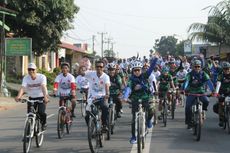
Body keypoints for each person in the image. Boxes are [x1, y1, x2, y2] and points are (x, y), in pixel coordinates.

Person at [123, 55, 158, 144]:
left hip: (146, 97)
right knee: (134, 119)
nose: (137, 72)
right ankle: (134, 137)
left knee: (151, 110)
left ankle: (149, 120)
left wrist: (156, 59)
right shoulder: (131, 79)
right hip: (135, 99)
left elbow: (151, 68)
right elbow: (128, 88)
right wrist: (125, 97)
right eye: (135, 70)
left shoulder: (145, 75)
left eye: (138, 70)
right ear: (133, 71)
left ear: (141, 70)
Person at [15, 63, 49, 131]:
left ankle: (43, 123)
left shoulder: (42, 77)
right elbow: (23, 87)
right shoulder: (26, 78)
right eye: (29, 69)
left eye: (32, 69)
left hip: (41, 97)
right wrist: (18, 96)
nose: (31, 71)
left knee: (41, 112)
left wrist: (45, 97)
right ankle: (28, 134)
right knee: (30, 114)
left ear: (36, 70)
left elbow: (43, 87)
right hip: (31, 98)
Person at [182, 60, 215, 129]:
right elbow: (186, 82)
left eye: (198, 67)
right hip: (192, 92)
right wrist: (183, 89)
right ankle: (188, 122)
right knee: (188, 107)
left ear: (200, 67)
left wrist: (213, 90)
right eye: (195, 67)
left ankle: (203, 110)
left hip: (201, 92)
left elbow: (209, 82)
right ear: (193, 67)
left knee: (206, 101)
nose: (197, 68)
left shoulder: (204, 74)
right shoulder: (189, 74)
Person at [84, 60, 110, 131]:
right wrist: (81, 66)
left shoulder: (106, 77)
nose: (99, 68)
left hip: (102, 97)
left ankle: (104, 125)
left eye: (101, 67)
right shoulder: (91, 74)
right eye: (97, 66)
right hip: (91, 98)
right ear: (95, 67)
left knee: (105, 107)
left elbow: (107, 85)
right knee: (87, 115)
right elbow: (81, 73)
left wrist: (107, 94)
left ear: (103, 68)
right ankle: (90, 128)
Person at [213, 61, 230, 127]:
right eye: (225, 69)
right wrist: (216, 93)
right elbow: (218, 84)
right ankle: (221, 119)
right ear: (223, 69)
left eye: (228, 68)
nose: (227, 70)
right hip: (222, 91)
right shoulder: (220, 76)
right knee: (221, 104)